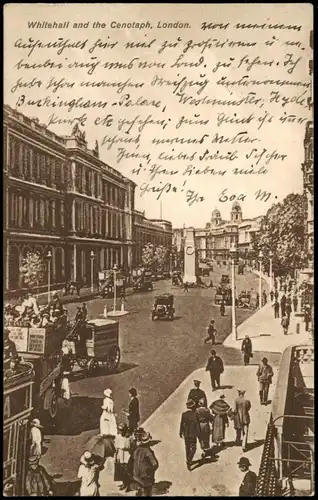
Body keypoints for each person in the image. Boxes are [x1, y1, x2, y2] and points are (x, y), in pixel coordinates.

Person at [133, 430, 159, 496]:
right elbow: (155, 464)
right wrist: (151, 470)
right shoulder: (148, 452)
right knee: (147, 492)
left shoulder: (137, 450)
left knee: (140, 490)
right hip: (146, 477)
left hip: (137, 474)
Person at [179, 399, 201, 470]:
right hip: (192, 433)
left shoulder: (184, 414)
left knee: (187, 447)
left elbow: (181, 424)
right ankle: (189, 460)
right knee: (193, 448)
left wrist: (180, 432)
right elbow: (197, 424)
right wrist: (199, 433)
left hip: (186, 433)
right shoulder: (195, 414)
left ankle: (188, 459)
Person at [115, 423, 131, 491]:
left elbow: (130, 446)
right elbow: (116, 446)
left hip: (127, 454)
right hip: (120, 454)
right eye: (120, 430)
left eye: (122, 430)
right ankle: (124, 483)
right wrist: (116, 456)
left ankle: (128, 485)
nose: (121, 432)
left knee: (127, 470)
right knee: (121, 470)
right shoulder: (118, 437)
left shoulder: (128, 437)